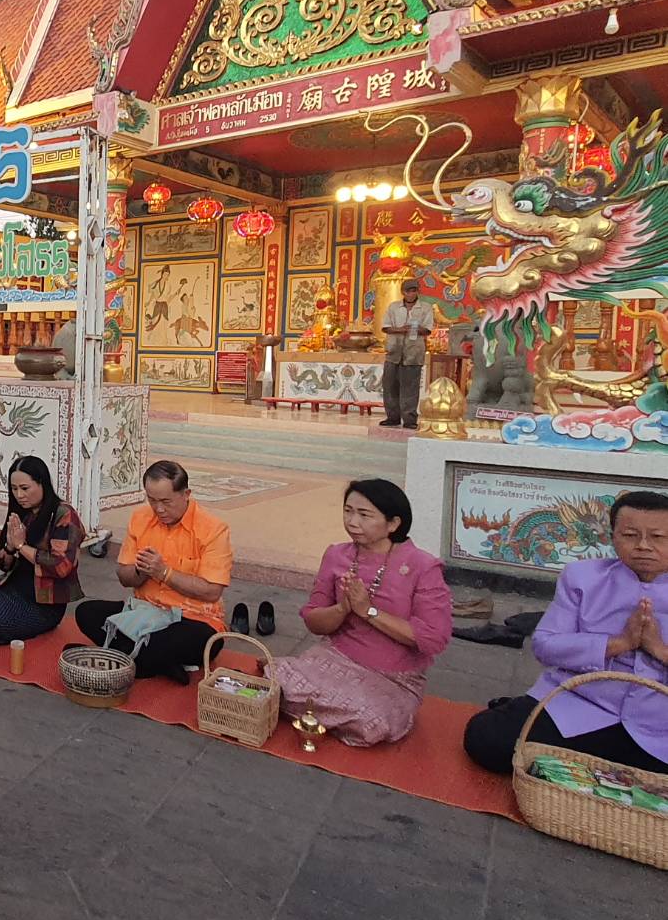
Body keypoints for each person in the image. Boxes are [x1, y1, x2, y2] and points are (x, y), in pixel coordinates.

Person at [463, 490, 668, 775]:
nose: (643, 546)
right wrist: (619, 643)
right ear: (612, 537)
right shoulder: (583, 577)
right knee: (487, 739)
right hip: (581, 703)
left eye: (658, 537)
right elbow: (545, 646)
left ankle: (568, 771)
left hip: (658, 723)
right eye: (630, 535)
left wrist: (658, 648)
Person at [269, 479, 453, 746]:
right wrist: (343, 608)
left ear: (393, 524)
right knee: (273, 676)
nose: (352, 522)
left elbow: (433, 639)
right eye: (348, 511)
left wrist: (368, 611)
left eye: (364, 515)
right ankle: (327, 715)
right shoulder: (336, 555)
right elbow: (314, 621)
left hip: (392, 676)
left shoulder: (423, 566)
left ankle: (320, 713)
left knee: (373, 720)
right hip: (334, 659)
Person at [75, 460, 232, 683]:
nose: (159, 509)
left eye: (166, 501)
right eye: (152, 500)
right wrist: (143, 571)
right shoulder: (140, 518)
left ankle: (121, 655)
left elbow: (212, 591)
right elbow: (124, 577)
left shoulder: (213, 529)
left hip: (193, 620)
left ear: (186, 493)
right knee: (86, 613)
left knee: (194, 641)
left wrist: (164, 573)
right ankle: (155, 663)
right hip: (144, 611)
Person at [0, 455, 84, 644]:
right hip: (11, 587)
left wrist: (21, 546)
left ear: (42, 484)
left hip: (43, 604)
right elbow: (4, 566)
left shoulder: (64, 514)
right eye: (14, 489)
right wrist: (10, 547)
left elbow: (61, 566)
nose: (19, 495)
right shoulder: (22, 511)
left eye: (25, 488)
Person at [380, 278, 434, 429]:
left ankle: (410, 419)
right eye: (408, 291)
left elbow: (428, 329)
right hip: (393, 352)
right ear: (402, 292)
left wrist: (415, 329)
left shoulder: (425, 308)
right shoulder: (393, 307)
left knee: (410, 387)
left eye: (414, 290)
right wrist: (401, 329)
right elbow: (385, 327)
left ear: (418, 291)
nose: (411, 294)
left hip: (413, 353)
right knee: (390, 385)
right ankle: (392, 417)